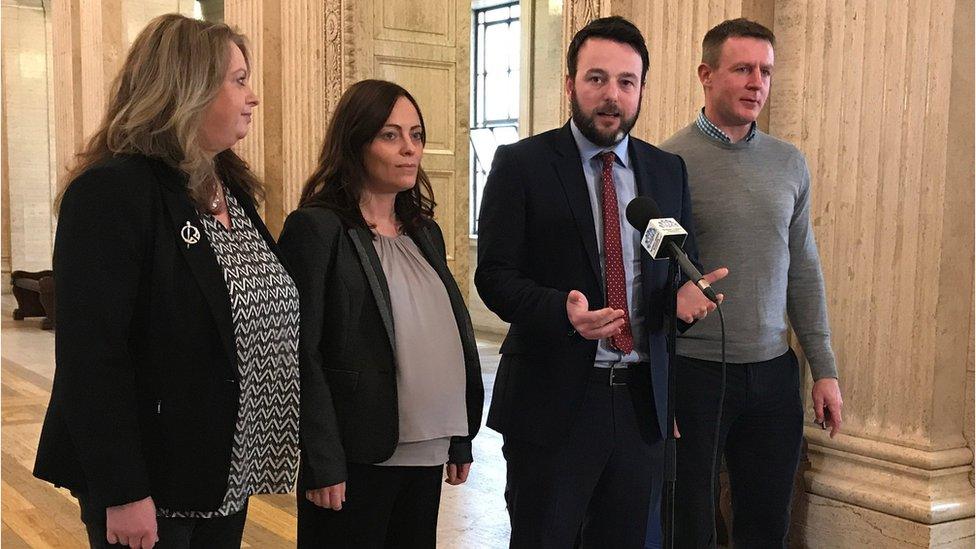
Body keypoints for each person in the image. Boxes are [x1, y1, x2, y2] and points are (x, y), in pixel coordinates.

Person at [32, 13, 300, 549]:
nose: (253, 97)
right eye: (238, 79)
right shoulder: (114, 191)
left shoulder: (228, 189)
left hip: (224, 468)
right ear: (187, 88)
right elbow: (92, 355)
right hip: (154, 481)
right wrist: (124, 491)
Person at [475, 16, 724, 548]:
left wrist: (685, 299)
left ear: (641, 91)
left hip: (640, 406)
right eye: (597, 79)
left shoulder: (666, 171)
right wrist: (560, 312)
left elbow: (681, 263)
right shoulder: (523, 164)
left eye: (626, 82)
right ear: (570, 85)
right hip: (554, 404)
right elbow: (493, 276)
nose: (611, 95)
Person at [661, 18, 844, 549]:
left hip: (772, 374)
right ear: (706, 74)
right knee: (689, 524)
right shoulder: (668, 163)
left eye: (765, 71)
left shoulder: (788, 162)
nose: (756, 83)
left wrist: (824, 371)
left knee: (767, 524)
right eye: (742, 69)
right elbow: (648, 280)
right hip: (694, 373)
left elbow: (804, 269)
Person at [277, 79, 484, 549]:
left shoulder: (424, 232)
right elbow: (299, 354)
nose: (409, 149)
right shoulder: (316, 228)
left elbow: (444, 335)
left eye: (416, 135)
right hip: (356, 457)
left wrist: (459, 438)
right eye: (390, 135)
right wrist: (321, 460)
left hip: (426, 452)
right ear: (356, 143)